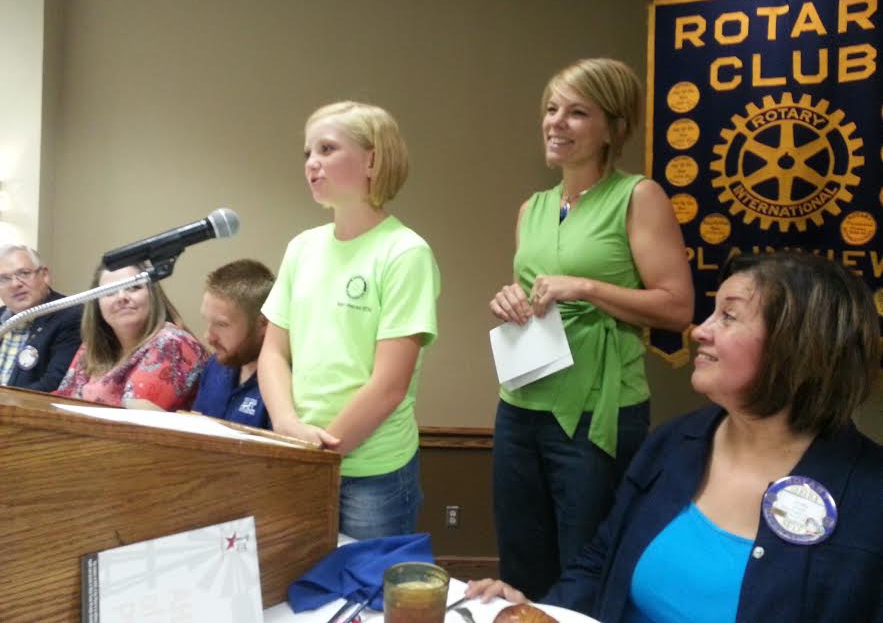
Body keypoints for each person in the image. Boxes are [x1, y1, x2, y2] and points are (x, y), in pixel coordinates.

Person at [469, 252, 882, 622]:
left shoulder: (869, 498)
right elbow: (600, 564)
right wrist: (537, 614)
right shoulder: (673, 443)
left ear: (799, 347)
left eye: (729, 316)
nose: (699, 330)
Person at [488, 58, 693, 599]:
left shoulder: (638, 197)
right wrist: (511, 300)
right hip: (520, 404)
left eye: (577, 112)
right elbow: (535, 295)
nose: (556, 122)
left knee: (585, 566)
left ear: (613, 128)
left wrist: (587, 287)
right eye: (551, 109)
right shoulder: (532, 208)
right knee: (520, 562)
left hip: (598, 412)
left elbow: (677, 308)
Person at [259, 100, 440, 540]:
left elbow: (389, 385)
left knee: (365, 583)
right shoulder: (302, 247)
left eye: (327, 149)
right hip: (301, 452)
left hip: (373, 473)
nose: (312, 163)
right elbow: (273, 352)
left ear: (372, 160)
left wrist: (321, 453)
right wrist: (286, 425)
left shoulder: (405, 252)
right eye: (308, 152)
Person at [55, 263, 206, 410]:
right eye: (110, 291)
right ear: (97, 305)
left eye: (134, 287)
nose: (121, 297)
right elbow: (60, 402)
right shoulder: (91, 347)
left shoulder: (172, 343)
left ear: (153, 294)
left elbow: (134, 420)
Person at [192, 259, 275, 428]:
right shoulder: (215, 365)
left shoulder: (284, 382)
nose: (208, 337)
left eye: (221, 325)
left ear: (263, 323)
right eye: (208, 321)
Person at [0, 245, 82, 392]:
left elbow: (54, 384)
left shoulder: (71, 316)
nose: (15, 284)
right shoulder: (2, 318)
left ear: (44, 275)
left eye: (24, 273)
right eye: (4, 279)